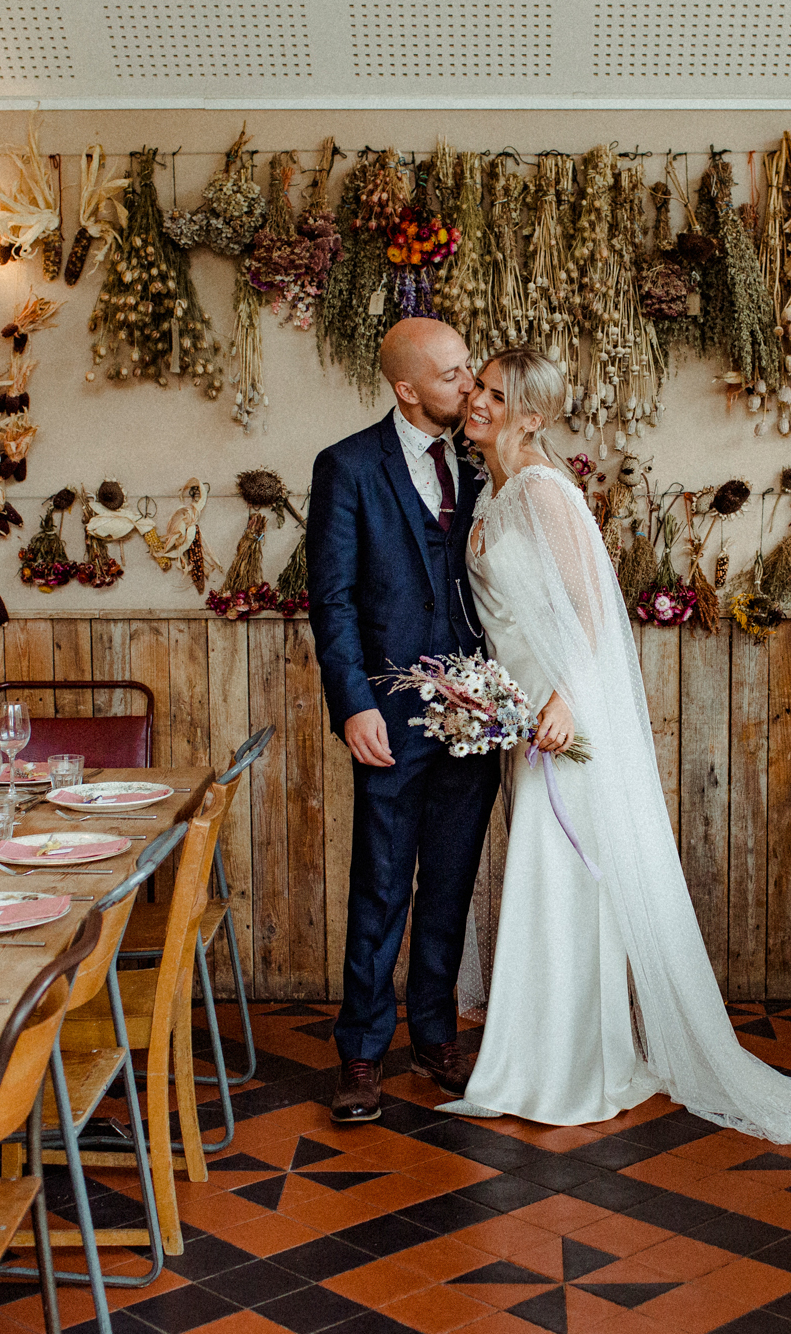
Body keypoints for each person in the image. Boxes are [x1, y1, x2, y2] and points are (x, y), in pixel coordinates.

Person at [441, 346, 791, 1154]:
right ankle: (544, 1058)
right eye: (476, 389)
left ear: (532, 415)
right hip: (523, 722)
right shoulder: (491, 491)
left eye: (493, 393)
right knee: (541, 877)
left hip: (564, 719)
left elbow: (593, 612)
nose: (475, 402)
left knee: (564, 879)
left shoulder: (543, 491)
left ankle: (572, 1069)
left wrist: (561, 699)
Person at [307, 317, 502, 1123]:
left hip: (477, 713)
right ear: (406, 388)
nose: (469, 385)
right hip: (387, 713)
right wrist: (352, 703)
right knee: (382, 884)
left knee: (451, 882)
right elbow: (335, 599)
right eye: (455, 374)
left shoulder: (483, 461)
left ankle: (433, 1034)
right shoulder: (348, 467)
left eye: (467, 371)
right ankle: (360, 1052)